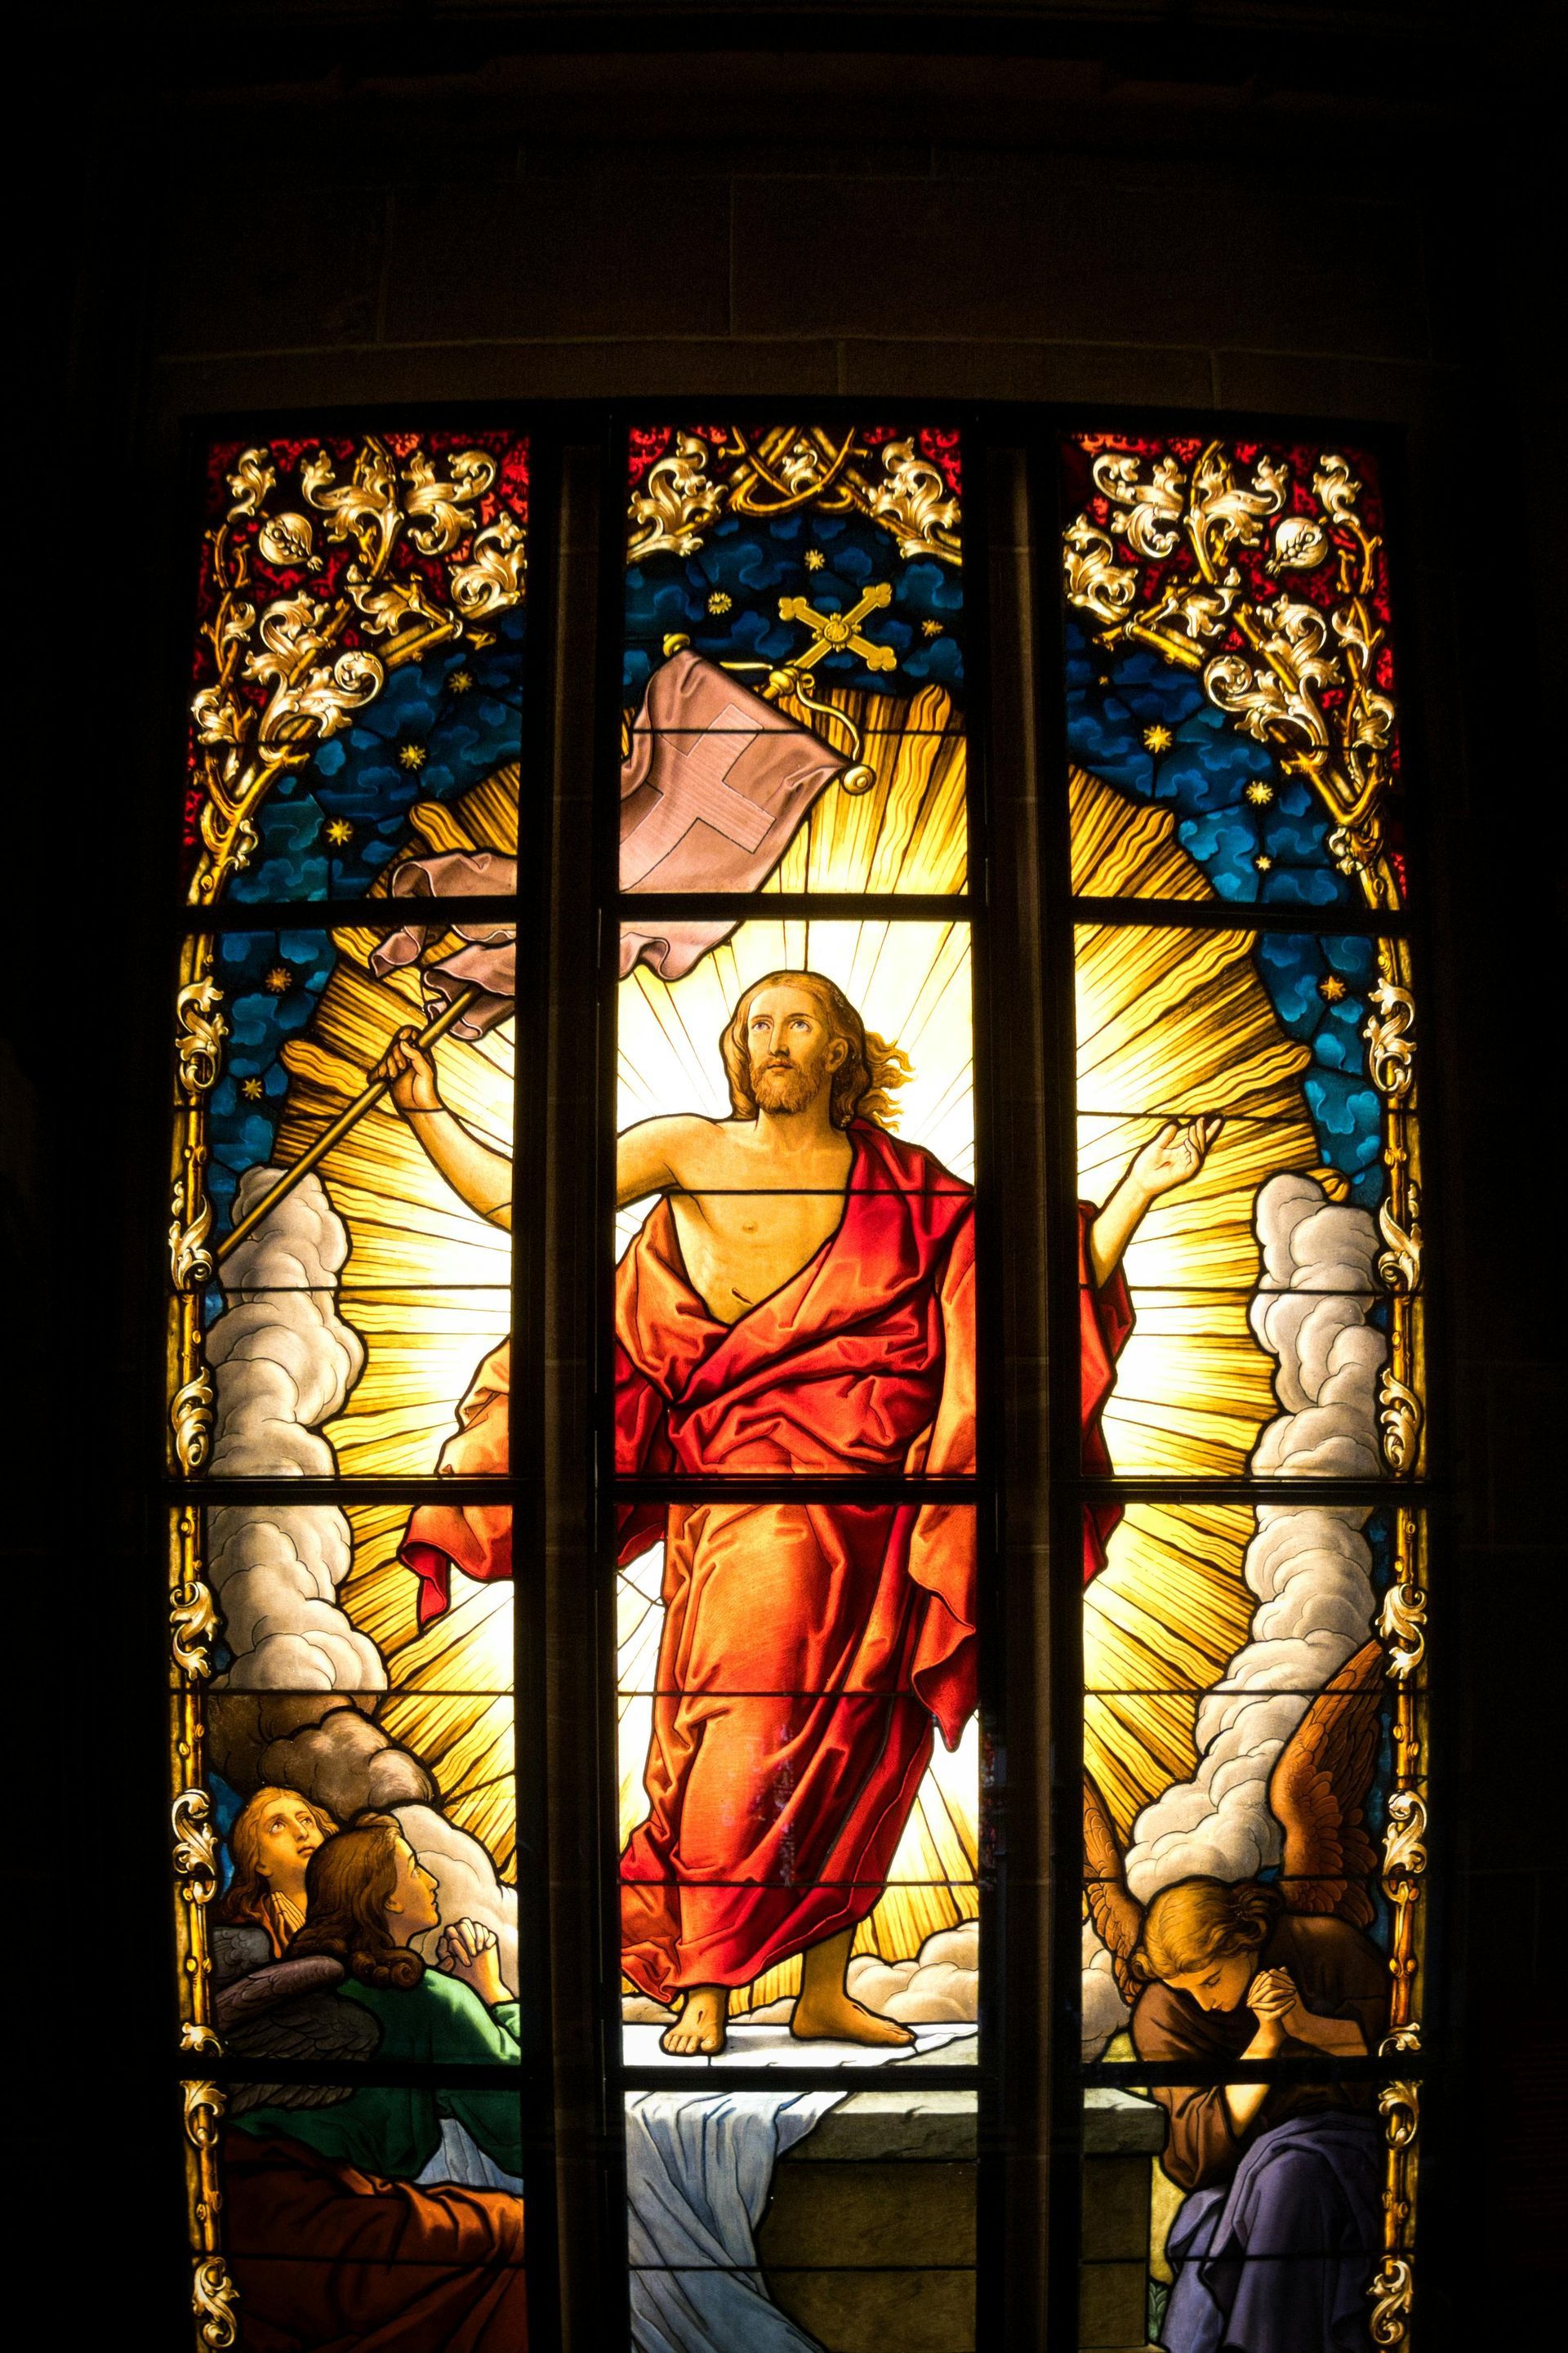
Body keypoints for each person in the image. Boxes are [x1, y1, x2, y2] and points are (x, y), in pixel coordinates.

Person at [380, 968, 1216, 2055]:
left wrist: (1142, 1191)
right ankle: (709, 1990)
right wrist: (427, 1109)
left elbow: (1026, 1295)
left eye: (799, 1022)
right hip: (745, 1517)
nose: (773, 1039)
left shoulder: (909, 1189)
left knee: (859, 1755)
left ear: (842, 1054)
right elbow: (522, 1197)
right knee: (740, 1734)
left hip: (879, 1523)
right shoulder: (689, 1150)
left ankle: (821, 1987)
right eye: (756, 1023)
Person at [224, 1816, 527, 2353]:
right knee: (519, 2233)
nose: (431, 1881)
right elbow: (524, 2131)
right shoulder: (429, 1997)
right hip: (312, 2225)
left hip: (236, 2214)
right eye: (414, 1869)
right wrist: (494, 1994)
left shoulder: (314, 1978)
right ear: (385, 1899)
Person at [1129, 1876, 1388, 2353]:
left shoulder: (1326, 1946)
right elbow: (1196, 2155)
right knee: (1224, 2209)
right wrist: (1266, 2040)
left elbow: (1393, 2059)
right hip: (1241, 2175)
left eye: (1210, 1980)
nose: (1203, 2001)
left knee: (1289, 2176)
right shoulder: (1161, 2011)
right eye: (1185, 1990)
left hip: (1349, 2152)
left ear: (1244, 1938)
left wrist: (1302, 2024)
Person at [216, 1787, 336, 1959]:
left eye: (306, 1821)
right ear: (258, 1862)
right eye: (277, 1826)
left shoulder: (359, 1910)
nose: (302, 1833)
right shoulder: (246, 1939)